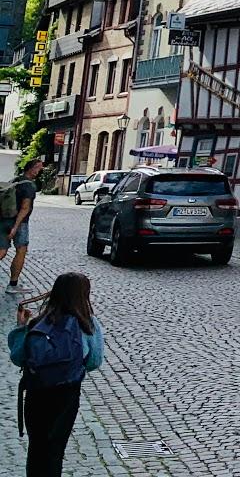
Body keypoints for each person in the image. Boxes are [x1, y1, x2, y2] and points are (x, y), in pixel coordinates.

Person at [8, 272, 105, 477]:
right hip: (66, 395)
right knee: (55, 450)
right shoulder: (87, 324)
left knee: (37, 449)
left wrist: (20, 327)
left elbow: (18, 357)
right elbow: (94, 361)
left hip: (37, 394)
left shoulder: (38, 324)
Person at [0, 160, 44, 295]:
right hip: (19, 223)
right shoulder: (29, 186)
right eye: (39, 168)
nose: (40, 171)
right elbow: (25, 208)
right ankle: (13, 284)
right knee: (21, 250)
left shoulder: (15, 180)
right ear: (33, 169)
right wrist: (15, 227)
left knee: (1, 251)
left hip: (2, 219)